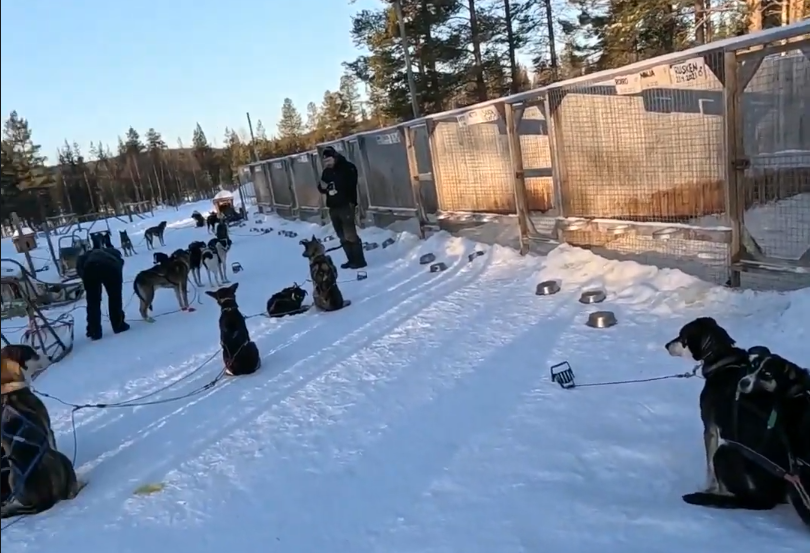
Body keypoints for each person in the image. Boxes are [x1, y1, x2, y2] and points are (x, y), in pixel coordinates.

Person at [318, 146, 367, 269]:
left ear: (335, 157)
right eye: (325, 162)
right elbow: (321, 185)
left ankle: (359, 260)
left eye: (329, 160)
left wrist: (337, 188)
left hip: (346, 204)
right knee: (341, 236)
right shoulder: (327, 171)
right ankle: (350, 259)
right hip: (333, 206)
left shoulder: (347, 167)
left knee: (350, 234)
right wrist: (325, 188)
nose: (327, 164)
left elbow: (351, 184)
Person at [75, 246, 130, 341]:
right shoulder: (115, 259)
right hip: (110, 268)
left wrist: (87, 282)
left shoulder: (84, 257)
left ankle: (94, 331)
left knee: (92, 301)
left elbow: (80, 271)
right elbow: (116, 293)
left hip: (90, 268)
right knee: (115, 298)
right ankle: (118, 325)